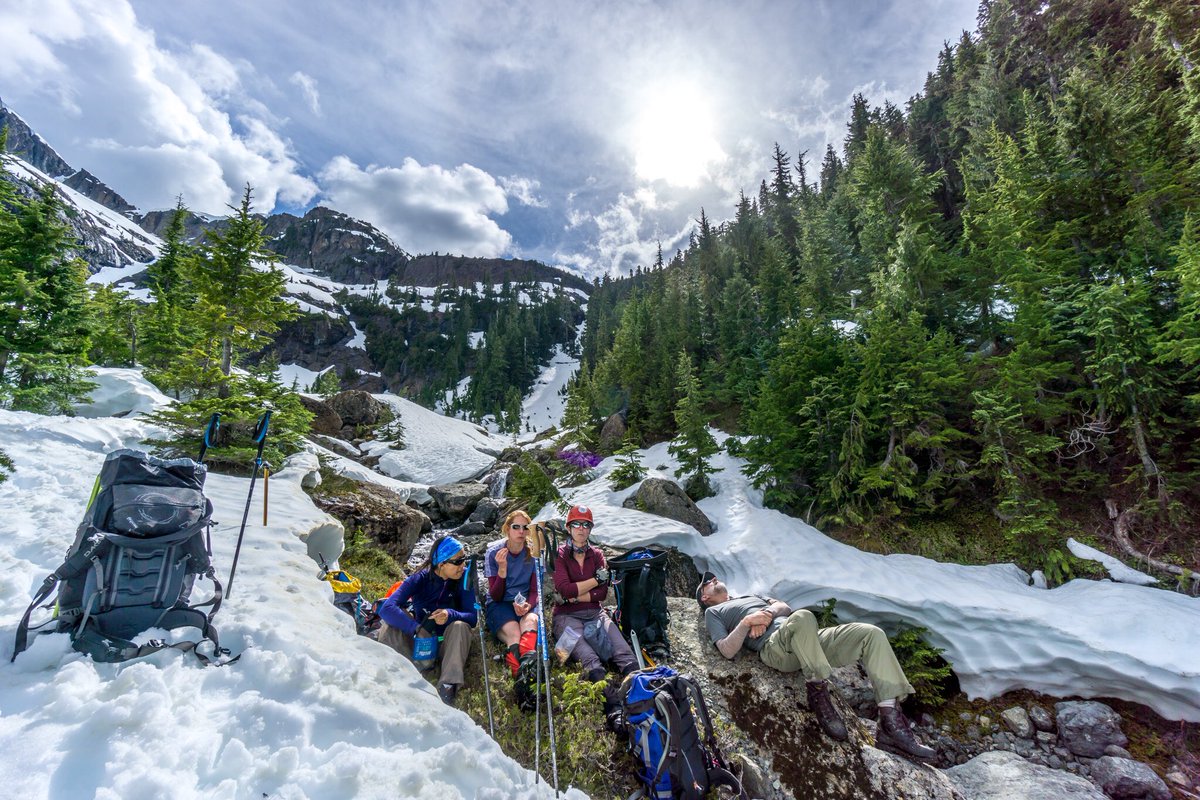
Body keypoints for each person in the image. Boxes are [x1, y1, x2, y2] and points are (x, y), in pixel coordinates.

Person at [696, 572, 936, 761]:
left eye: (713, 577)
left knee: (871, 634)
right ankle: (817, 691)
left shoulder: (752, 597)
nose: (713, 579)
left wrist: (767, 612)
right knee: (803, 617)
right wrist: (747, 622)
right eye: (708, 582)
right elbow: (726, 650)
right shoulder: (714, 612)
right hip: (776, 648)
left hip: (807, 638)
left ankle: (890, 724)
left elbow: (784, 606)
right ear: (705, 598)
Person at [377, 535, 476, 705]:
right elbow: (387, 607)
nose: (463, 566)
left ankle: (448, 684)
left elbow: (472, 617)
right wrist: (416, 629)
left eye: (464, 560)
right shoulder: (420, 578)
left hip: (448, 644)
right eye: (458, 561)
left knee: (460, 626)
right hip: (421, 640)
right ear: (442, 563)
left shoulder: (464, 578)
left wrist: (450, 614)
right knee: (390, 625)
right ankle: (394, 673)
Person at [551, 505, 637, 682]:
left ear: (590, 529)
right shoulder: (559, 554)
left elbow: (602, 594)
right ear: (568, 528)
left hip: (596, 614)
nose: (581, 528)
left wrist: (573, 597)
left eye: (586, 525)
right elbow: (564, 589)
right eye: (576, 524)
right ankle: (611, 705)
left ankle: (641, 695)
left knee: (625, 654)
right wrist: (596, 580)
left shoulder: (597, 555)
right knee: (589, 660)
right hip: (566, 616)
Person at [484, 510, 541, 687]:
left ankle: (526, 678)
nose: (521, 531)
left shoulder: (534, 554)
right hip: (500, 603)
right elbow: (495, 595)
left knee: (530, 623)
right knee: (515, 634)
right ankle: (523, 684)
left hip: (524, 603)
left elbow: (534, 590)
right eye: (516, 527)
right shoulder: (494, 553)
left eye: (525, 528)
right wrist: (502, 570)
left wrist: (528, 605)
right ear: (508, 529)